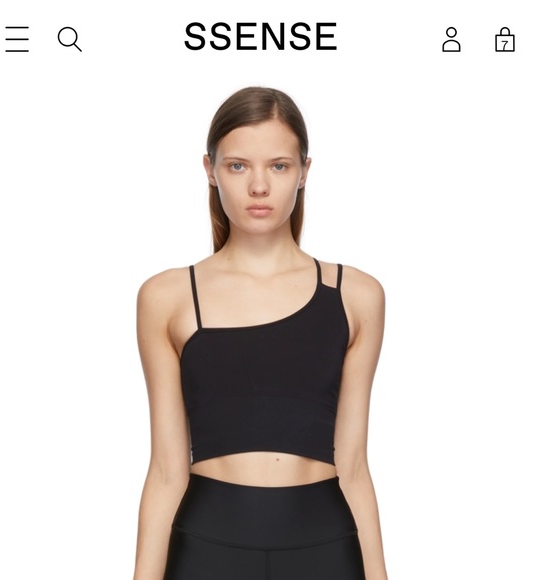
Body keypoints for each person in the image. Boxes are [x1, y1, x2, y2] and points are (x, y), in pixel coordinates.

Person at [132, 86, 388, 580]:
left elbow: (354, 466)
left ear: (304, 172)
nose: (258, 186)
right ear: (210, 169)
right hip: (206, 545)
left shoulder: (356, 296)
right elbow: (165, 470)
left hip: (324, 544)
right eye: (237, 166)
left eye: (278, 166)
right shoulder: (167, 296)